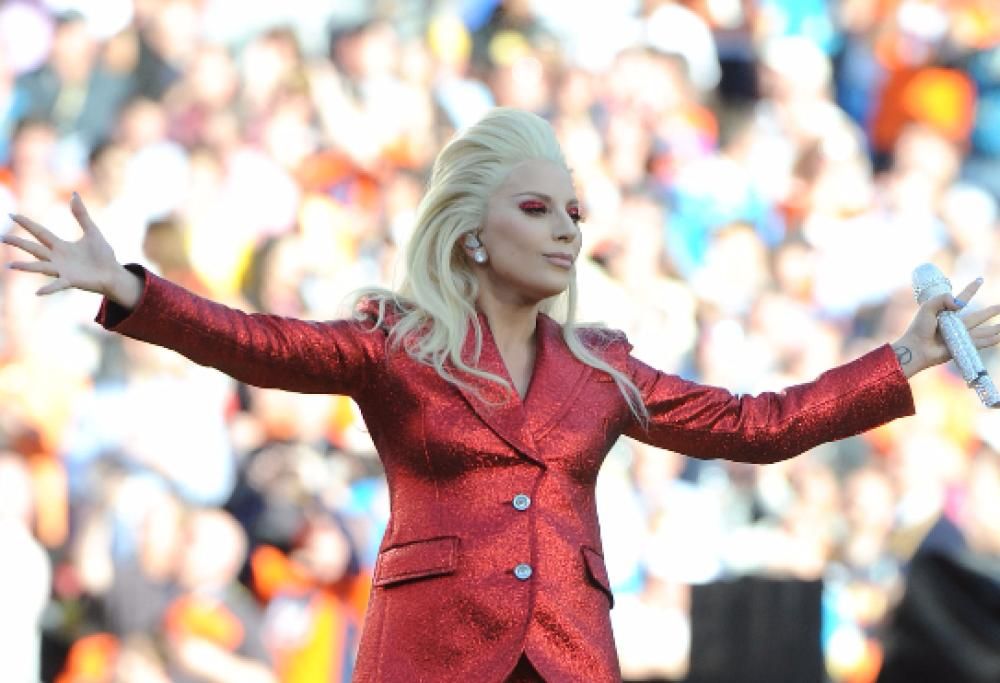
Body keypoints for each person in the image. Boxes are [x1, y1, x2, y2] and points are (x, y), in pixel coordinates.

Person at [5, 107, 1000, 682]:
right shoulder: (396, 343)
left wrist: (901, 358)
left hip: (569, 651)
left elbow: (758, 425)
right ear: (471, 231)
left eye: (574, 210)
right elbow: (258, 344)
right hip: (429, 650)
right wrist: (129, 289)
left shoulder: (602, 365)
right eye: (535, 206)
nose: (566, 227)